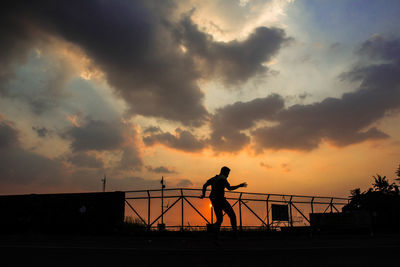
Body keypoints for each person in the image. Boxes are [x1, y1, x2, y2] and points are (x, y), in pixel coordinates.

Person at [200, 166, 247, 234]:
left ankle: (213, 233)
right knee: (232, 216)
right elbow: (229, 188)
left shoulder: (214, 178)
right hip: (220, 200)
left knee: (219, 220)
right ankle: (235, 234)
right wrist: (239, 186)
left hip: (213, 200)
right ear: (224, 172)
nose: (228, 175)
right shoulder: (223, 179)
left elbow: (205, 185)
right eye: (227, 173)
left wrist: (203, 194)